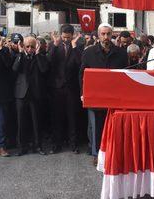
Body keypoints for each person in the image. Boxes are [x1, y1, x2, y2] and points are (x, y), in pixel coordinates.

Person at [80, 23, 128, 165]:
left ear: (112, 34)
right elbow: (82, 74)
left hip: (115, 97)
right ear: (98, 35)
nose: (106, 37)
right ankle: (97, 154)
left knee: (115, 126)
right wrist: (83, 93)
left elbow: (126, 75)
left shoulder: (121, 53)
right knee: (96, 127)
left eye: (108, 34)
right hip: (95, 97)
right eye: (103, 34)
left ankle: (114, 152)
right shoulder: (89, 52)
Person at [48, 24, 83, 154]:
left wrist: (74, 47)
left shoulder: (78, 46)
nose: (66, 40)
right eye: (64, 37)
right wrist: (56, 45)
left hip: (72, 88)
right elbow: (48, 62)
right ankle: (56, 144)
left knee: (72, 117)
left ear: (72, 35)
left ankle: (73, 144)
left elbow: (80, 64)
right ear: (60, 34)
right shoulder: (54, 45)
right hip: (57, 88)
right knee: (57, 117)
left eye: (68, 37)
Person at [13, 35, 49, 156]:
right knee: (21, 122)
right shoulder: (20, 56)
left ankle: (37, 146)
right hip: (21, 93)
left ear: (36, 46)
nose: (29, 49)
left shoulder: (41, 56)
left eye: (32, 47)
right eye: (27, 46)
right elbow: (15, 69)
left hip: (35, 94)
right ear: (23, 46)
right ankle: (22, 147)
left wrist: (38, 54)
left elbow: (44, 70)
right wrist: (20, 53)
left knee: (36, 121)